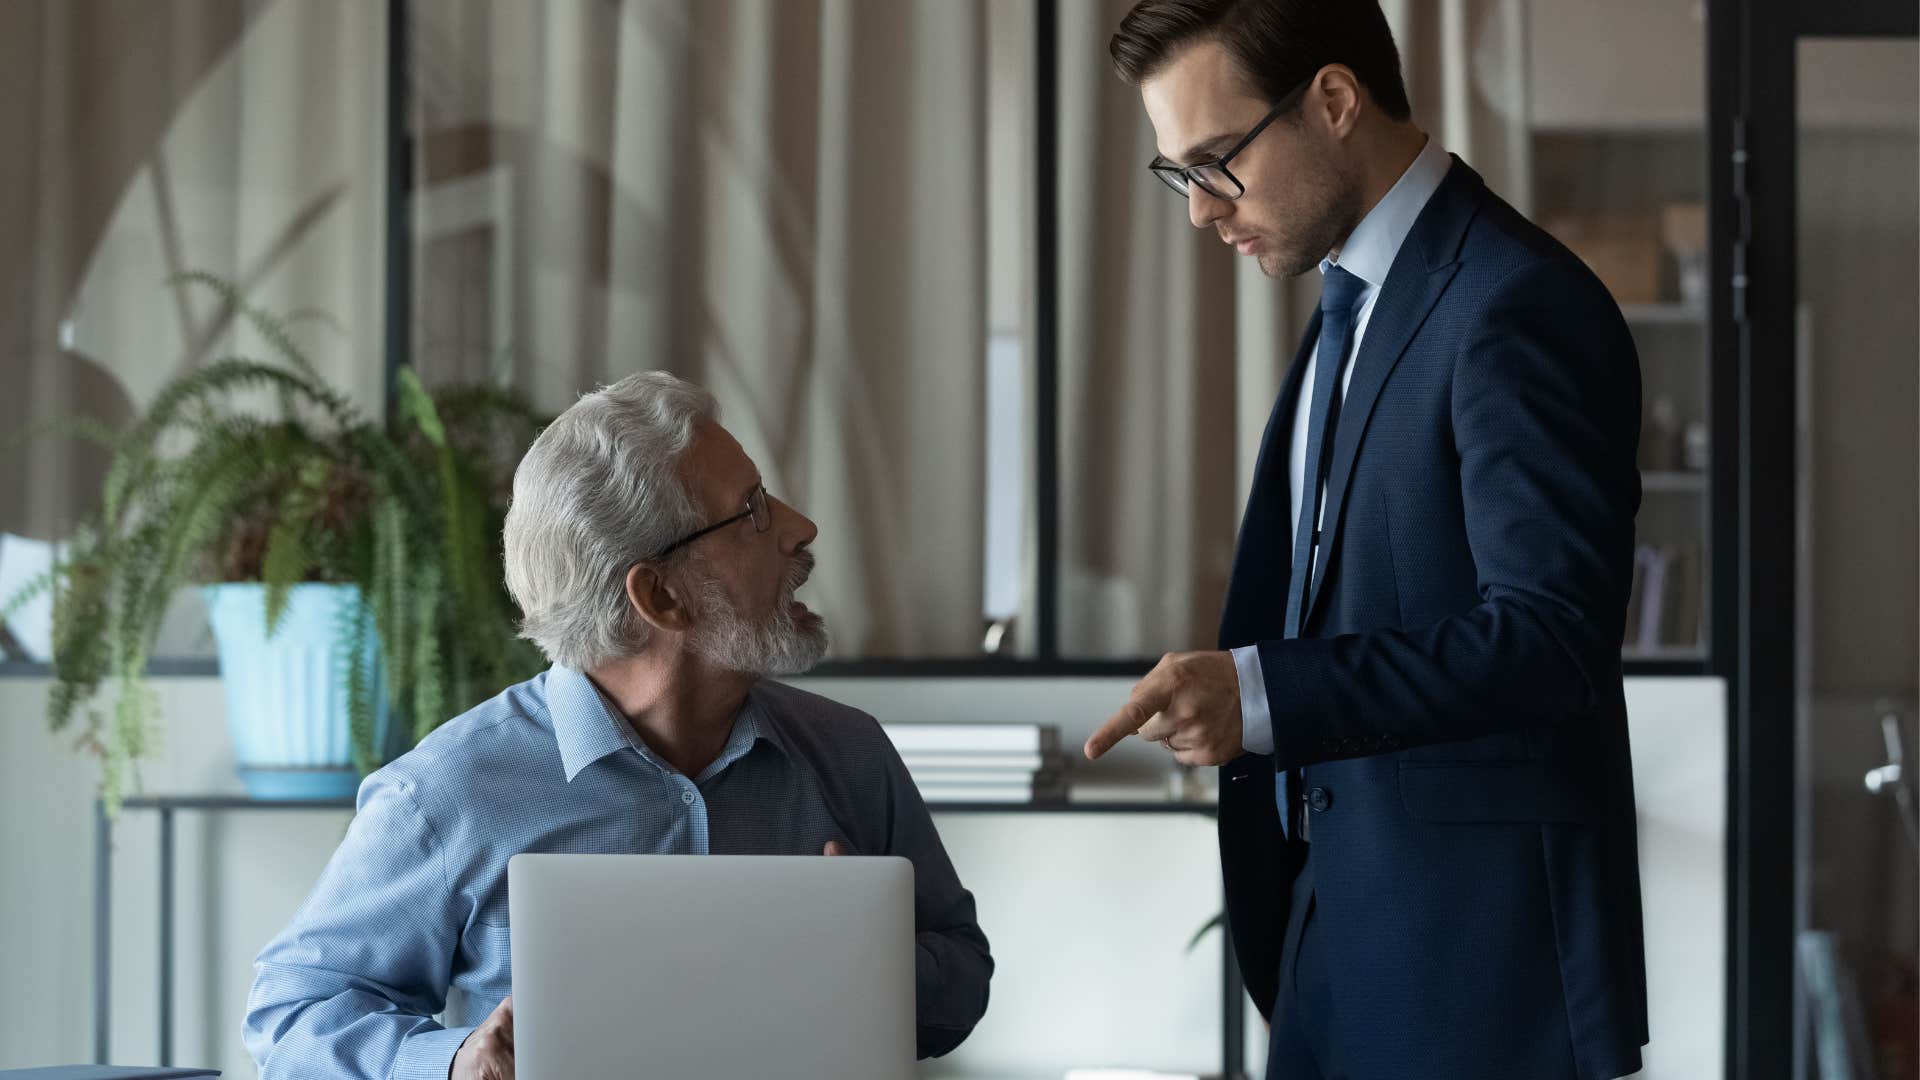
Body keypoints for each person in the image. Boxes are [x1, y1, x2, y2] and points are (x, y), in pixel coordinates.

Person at [1081, 2, 1648, 1077]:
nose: (1200, 213)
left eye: (1214, 161)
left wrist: (1260, 696)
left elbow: (1551, 639)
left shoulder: (1514, 305)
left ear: (1335, 101)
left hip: (1479, 984)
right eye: (1179, 175)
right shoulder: (1356, 305)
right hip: (1335, 945)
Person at [242, 372, 992, 1079]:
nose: (800, 529)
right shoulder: (447, 793)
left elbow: (962, 981)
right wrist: (454, 1061)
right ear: (661, 596)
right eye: (753, 511)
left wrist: (877, 965)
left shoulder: (850, 755)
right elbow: (290, 1014)